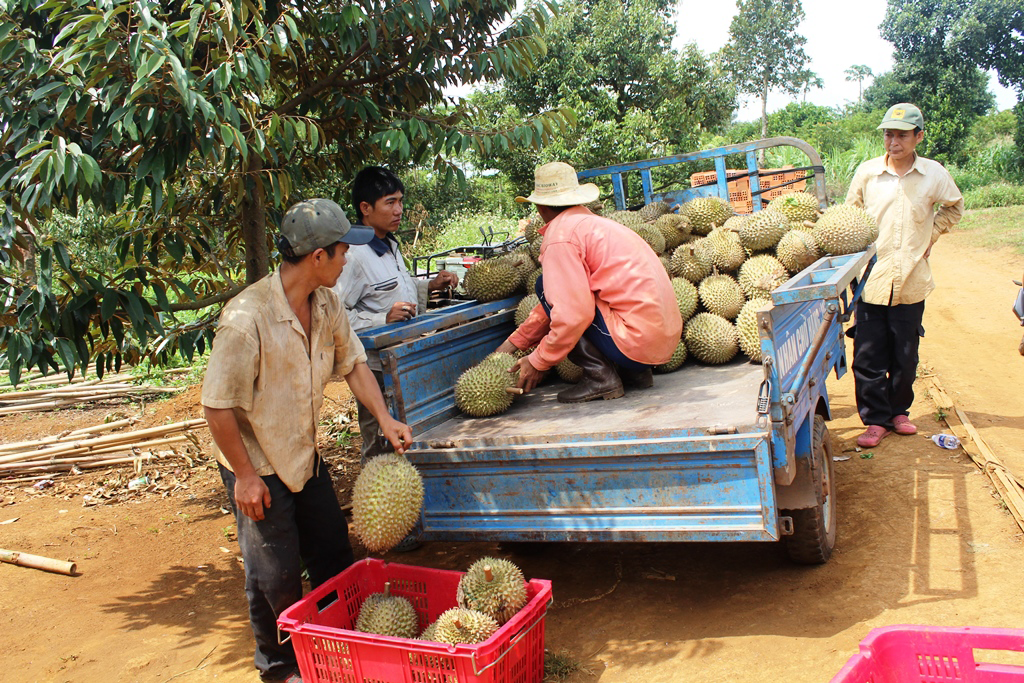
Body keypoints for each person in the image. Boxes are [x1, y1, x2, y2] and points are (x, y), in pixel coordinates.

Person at [202, 198, 413, 683]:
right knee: (272, 573)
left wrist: (383, 418)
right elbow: (217, 406)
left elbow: (354, 363)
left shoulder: (328, 303)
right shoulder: (246, 319)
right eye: (342, 252)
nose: (348, 261)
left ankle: (333, 646)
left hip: (303, 453)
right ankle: (278, 667)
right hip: (254, 460)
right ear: (318, 256)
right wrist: (246, 478)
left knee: (333, 553)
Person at [495, 161, 682, 402]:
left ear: (540, 206)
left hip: (635, 343)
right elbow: (565, 299)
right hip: (661, 342)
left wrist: (538, 360)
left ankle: (600, 378)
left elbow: (572, 313)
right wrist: (515, 343)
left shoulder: (561, 237)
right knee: (576, 293)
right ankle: (635, 374)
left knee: (545, 286)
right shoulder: (600, 225)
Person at [846, 103, 964, 448]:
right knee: (868, 355)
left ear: (918, 137)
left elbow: (954, 206)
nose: (893, 141)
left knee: (905, 353)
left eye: (901, 135)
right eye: (888, 134)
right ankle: (875, 420)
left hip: (912, 279)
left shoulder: (933, 174)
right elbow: (849, 215)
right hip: (872, 279)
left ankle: (899, 412)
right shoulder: (868, 173)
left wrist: (931, 235)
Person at [333, 167, 458, 461]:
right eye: (390, 202)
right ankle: (374, 502)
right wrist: (381, 320)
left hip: (405, 358)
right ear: (365, 208)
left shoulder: (389, 244)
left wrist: (429, 287)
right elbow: (333, 318)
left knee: (407, 434)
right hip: (374, 370)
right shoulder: (351, 255)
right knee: (380, 442)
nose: (399, 210)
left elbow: (396, 292)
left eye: (400, 201)